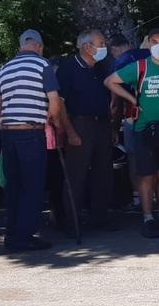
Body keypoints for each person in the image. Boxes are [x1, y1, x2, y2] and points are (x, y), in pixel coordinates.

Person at [104, 27, 159, 238]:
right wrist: (133, 100)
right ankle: (147, 217)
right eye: (154, 42)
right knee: (146, 175)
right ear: (148, 44)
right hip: (144, 128)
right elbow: (109, 81)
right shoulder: (139, 67)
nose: (158, 46)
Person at [0, 30, 65, 252]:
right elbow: (54, 100)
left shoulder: (5, 68)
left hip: (8, 134)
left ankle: (11, 235)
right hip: (31, 133)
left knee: (13, 186)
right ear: (39, 46)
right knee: (32, 186)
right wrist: (50, 119)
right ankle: (25, 236)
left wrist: (4, 121)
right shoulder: (42, 65)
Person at [55, 29, 116, 232]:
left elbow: (110, 97)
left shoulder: (101, 67)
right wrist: (70, 132)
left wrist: (112, 126)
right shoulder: (67, 68)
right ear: (86, 46)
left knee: (103, 172)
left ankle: (100, 217)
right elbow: (60, 104)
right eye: (100, 43)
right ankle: (72, 221)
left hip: (103, 124)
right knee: (76, 175)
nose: (103, 47)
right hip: (79, 124)